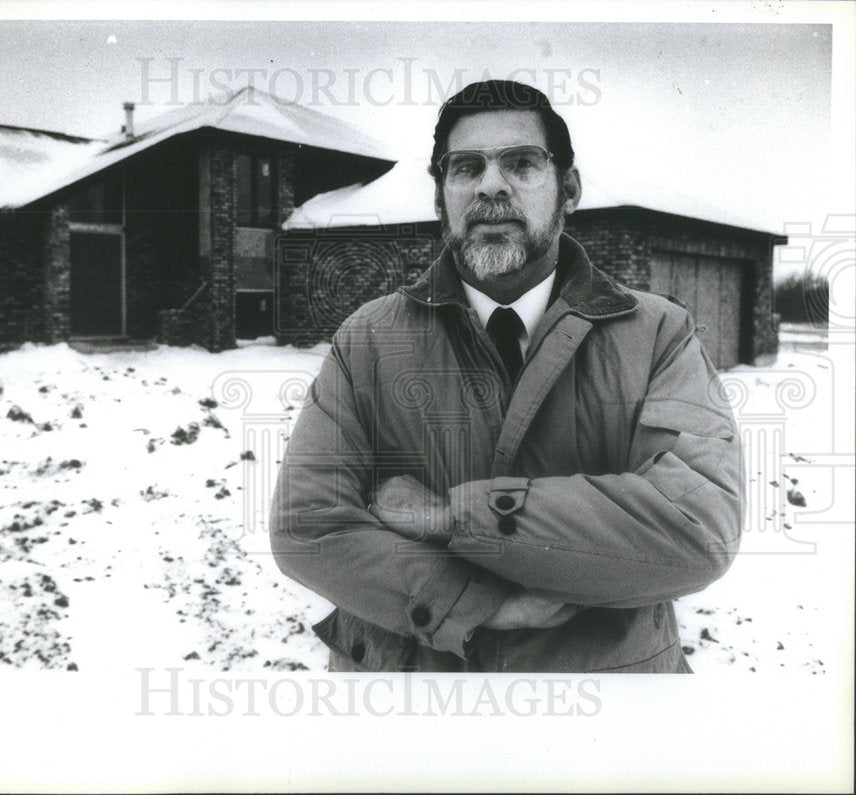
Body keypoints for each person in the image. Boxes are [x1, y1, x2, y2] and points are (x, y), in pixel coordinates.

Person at [270, 80, 742, 673]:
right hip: (408, 716)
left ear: (567, 188)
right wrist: (478, 604)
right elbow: (307, 527)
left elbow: (698, 530)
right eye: (467, 167)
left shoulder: (656, 334)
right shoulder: (370, 338)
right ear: (442, 196)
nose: (492, 185)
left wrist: (452, 518)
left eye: (521, 163)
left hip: (604, 719)